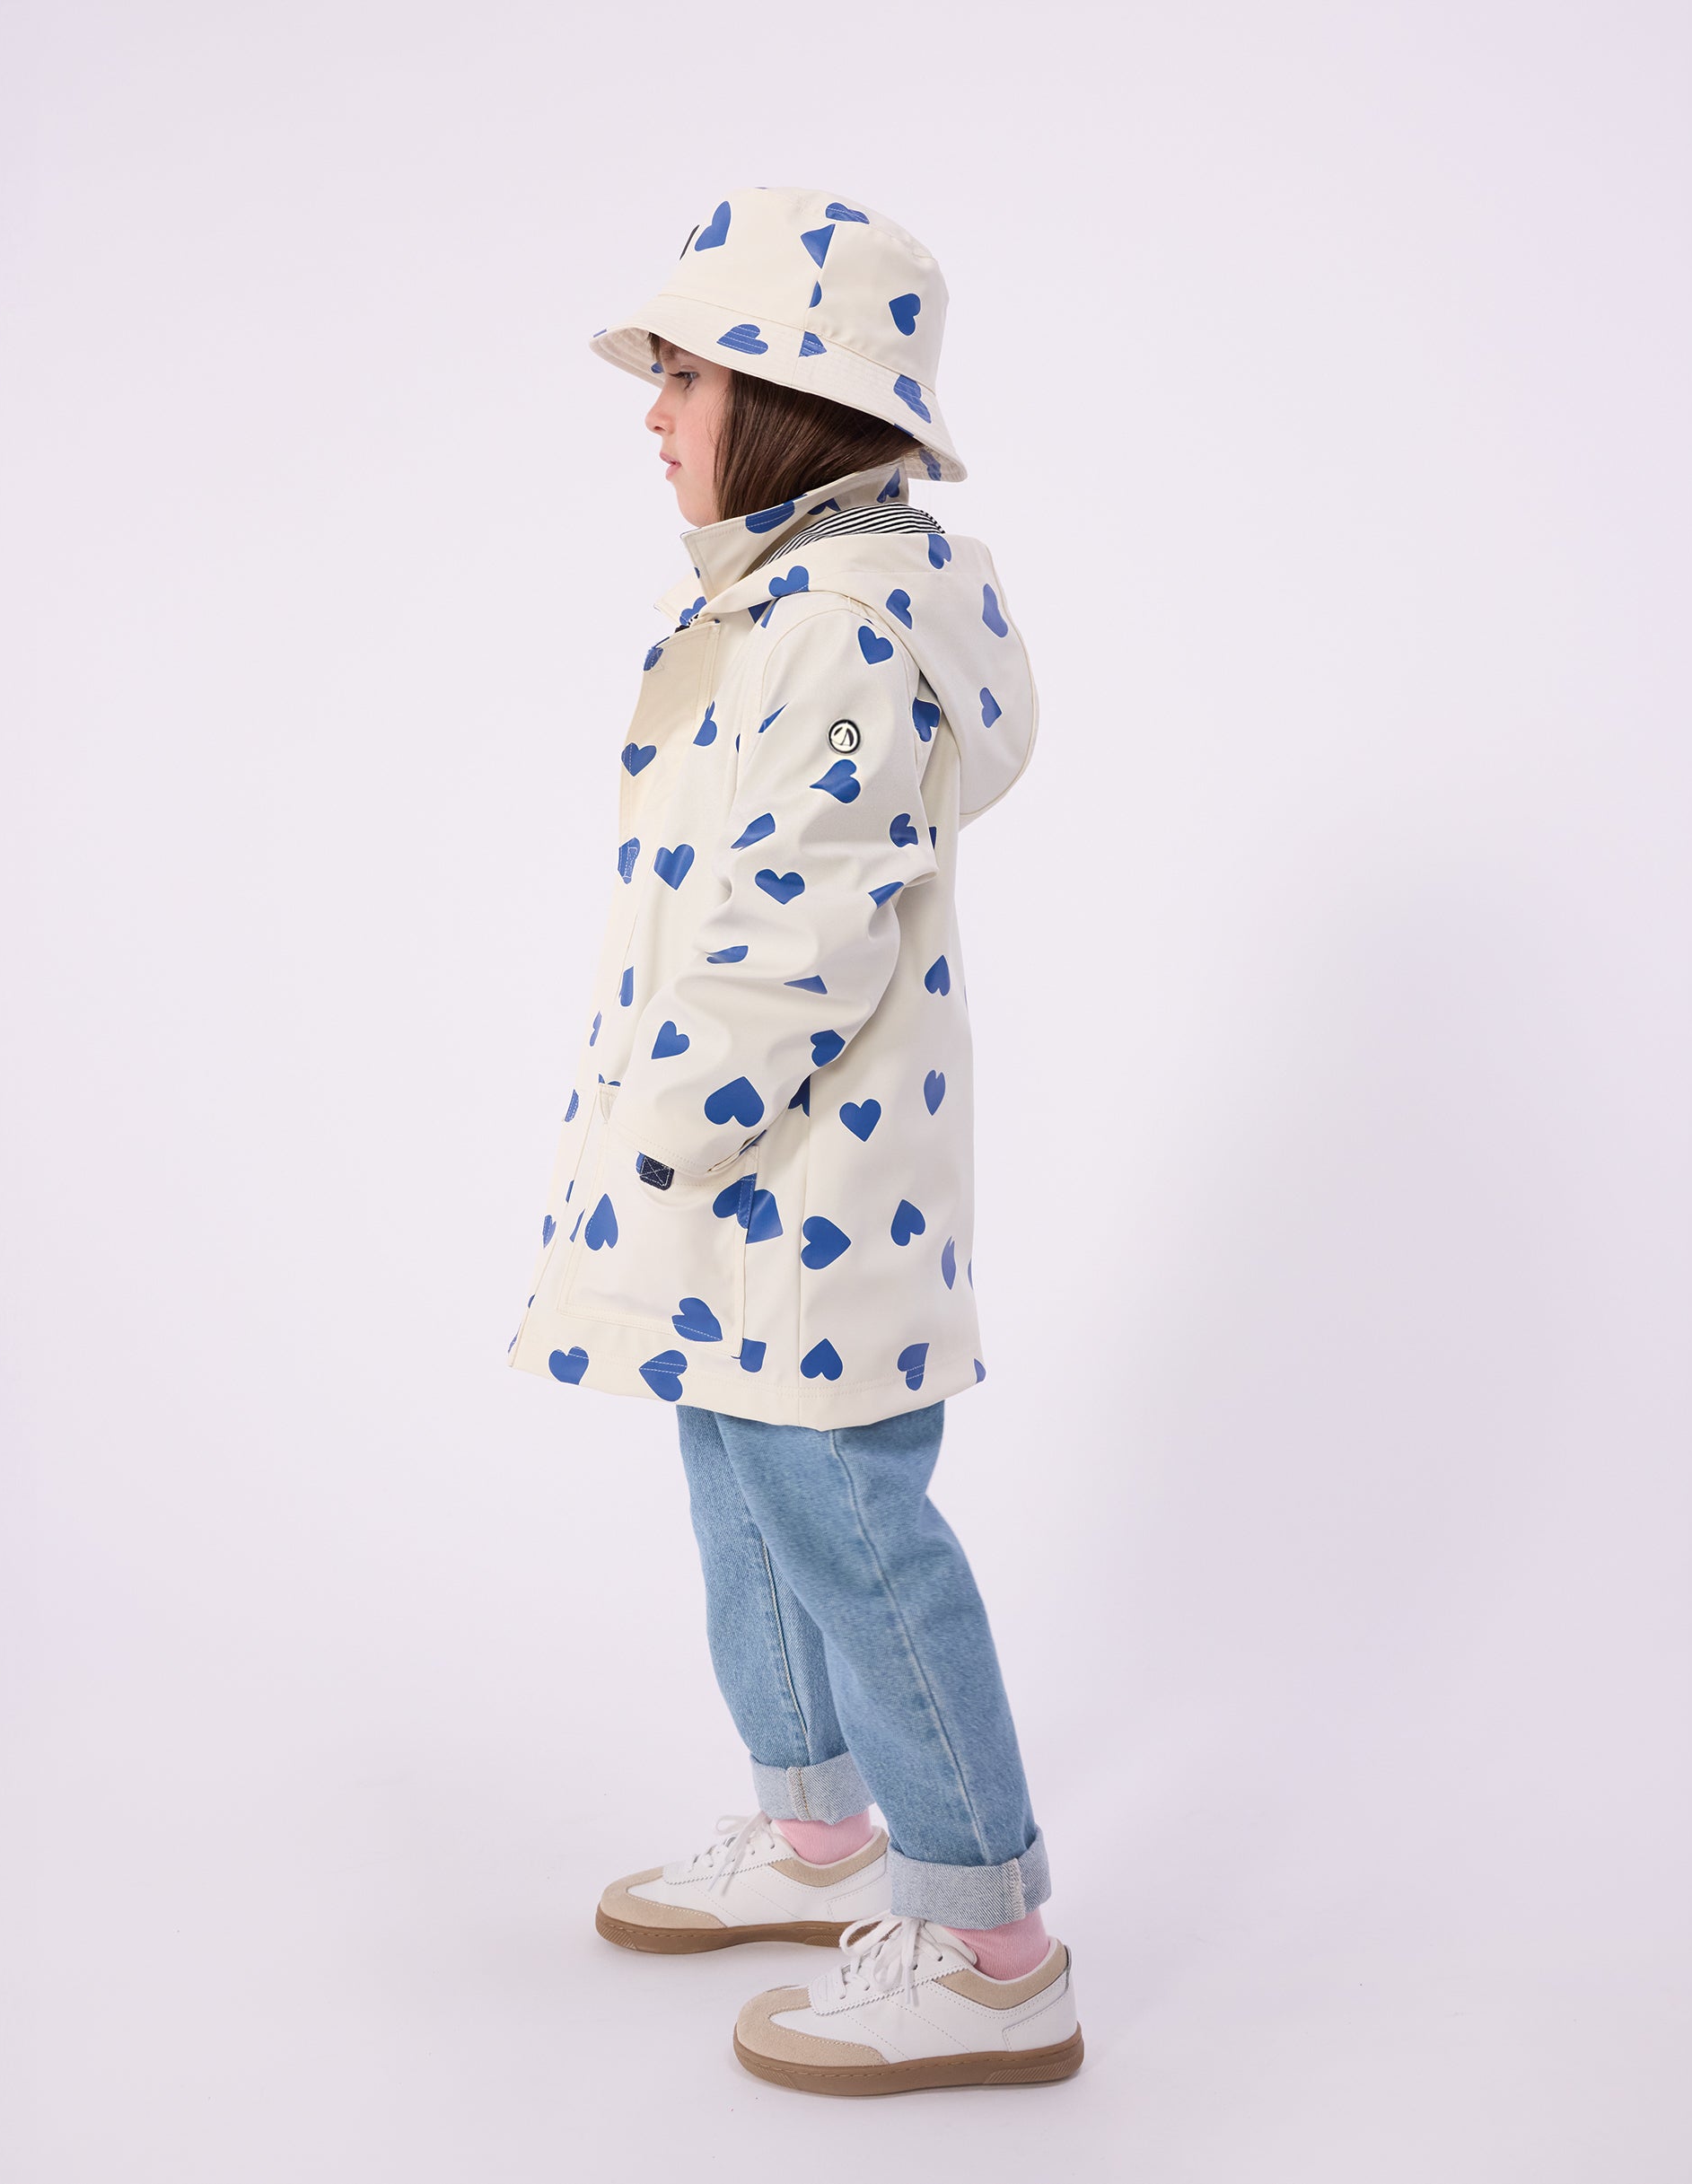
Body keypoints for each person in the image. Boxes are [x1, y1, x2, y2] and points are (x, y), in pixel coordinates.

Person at [506, 188, 1080, 2095]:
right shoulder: (771, 607)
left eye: (681, 376)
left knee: (847, 1522)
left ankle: (988, 1941)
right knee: (742, 1485)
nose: (652, 412)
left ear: (783, 398)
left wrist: (669, 1122)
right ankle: (819, 1831)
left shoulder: (838, 628)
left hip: (798, 1179)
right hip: (743, 1183)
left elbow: (801, 918)